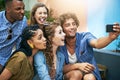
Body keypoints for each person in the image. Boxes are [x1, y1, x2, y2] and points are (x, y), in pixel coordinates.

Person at [58, 13, 120, 80]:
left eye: (74, 24)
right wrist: (78, 66)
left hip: (88, 72)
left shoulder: (85, 37)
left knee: (90, 78)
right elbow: (61, 69)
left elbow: (97, 43)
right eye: (67, 25)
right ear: (62, 28)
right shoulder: (60, 43)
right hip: (70, 74)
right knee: (76, 74)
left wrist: (110, 38)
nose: (72, 27)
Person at [0, 0, 27, 70]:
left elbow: (20, 43)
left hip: (9, 60)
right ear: (8, 9)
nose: (22, 12)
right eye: (18, 9)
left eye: (23, 8)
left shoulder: (23, 20)